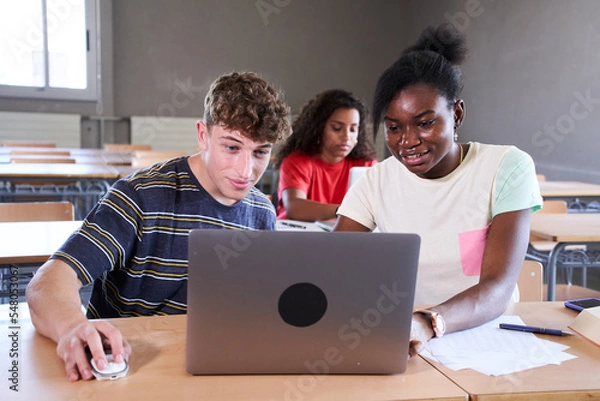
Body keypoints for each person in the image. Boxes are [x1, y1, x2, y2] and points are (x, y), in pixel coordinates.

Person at [25, 71, 291, 381]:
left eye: (260, 152)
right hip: (131, 366)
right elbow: (47, 283)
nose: (246, 171)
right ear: (203, 135)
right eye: (232, 147)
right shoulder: (141, 195)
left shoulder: (261, 212)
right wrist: (72, 327)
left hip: (210, 363)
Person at [333, 24, 543, 357]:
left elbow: (497, 289)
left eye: (425, 122)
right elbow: (329, 264)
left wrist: (429, 321)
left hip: (485, 338)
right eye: (393, 127)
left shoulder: (507, 167)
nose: (408, 141)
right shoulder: (375, 181)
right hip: (404, 339)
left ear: (456, 114)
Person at [274, 89, 377, 221]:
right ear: (318, 128)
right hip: (298, 235)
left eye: (353, 129)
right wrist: (347, 211)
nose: (346, 136)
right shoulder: (297, 161)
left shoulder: (366, 164)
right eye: (337, 128)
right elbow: (295, 207)